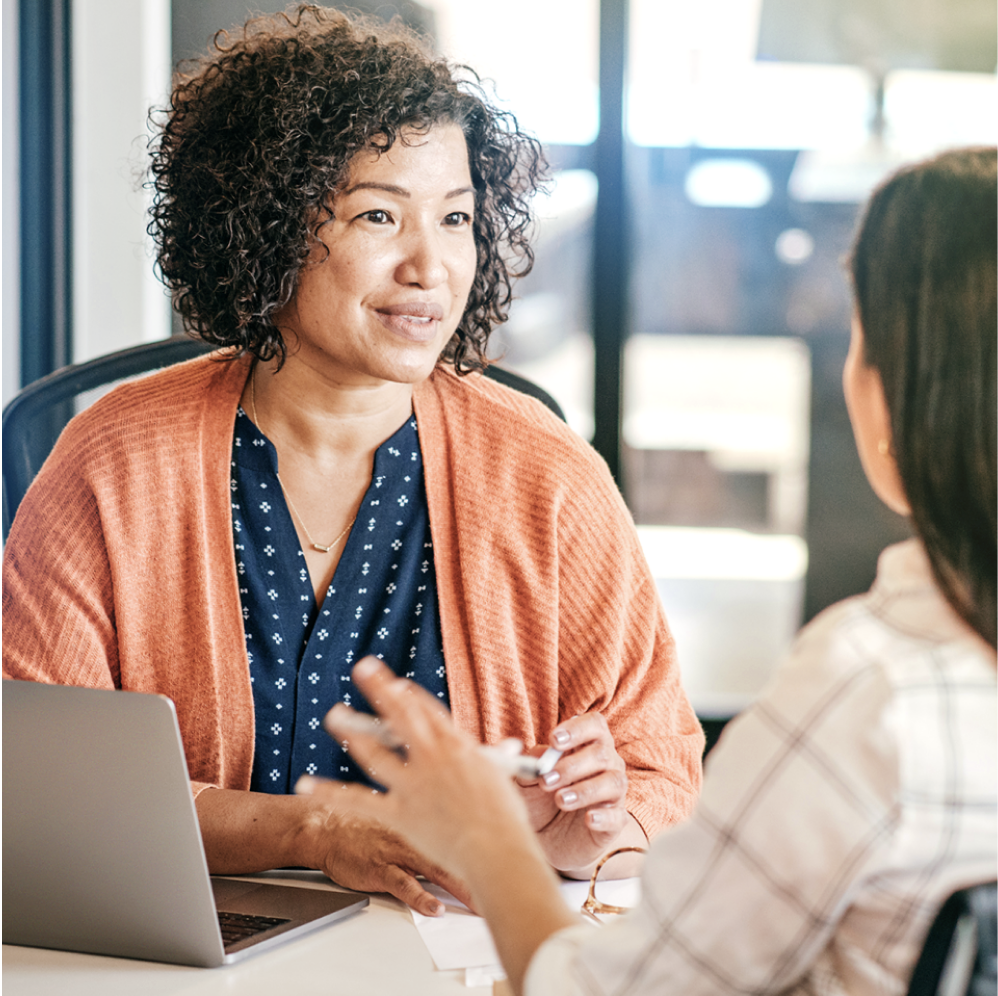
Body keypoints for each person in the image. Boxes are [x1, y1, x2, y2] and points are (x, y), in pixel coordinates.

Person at [0, 5, 703, 918]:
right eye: (380, 214)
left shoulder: (548, 475)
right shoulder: (118, 458)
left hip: (456, 955)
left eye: (456, 218)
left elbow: (660, 783)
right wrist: (317, 834)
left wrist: (581, 835)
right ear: (267, 225)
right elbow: (36, 787)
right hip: (197, 961)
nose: (430, 266)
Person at [296, 146, 998, 994]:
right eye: (379, 213)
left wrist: (487, 839)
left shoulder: (869, 693)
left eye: (456, 217)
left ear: (898, 396)